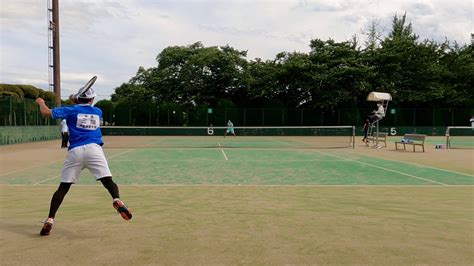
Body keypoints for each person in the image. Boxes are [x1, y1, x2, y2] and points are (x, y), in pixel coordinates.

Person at [35, 85, 132, 236]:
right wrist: (77, 98)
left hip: (75, 151)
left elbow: (46, 113)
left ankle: (50, 220)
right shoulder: (97, 111)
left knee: (63, 188)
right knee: (108, 181)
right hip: (94, 150)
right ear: (92, 99)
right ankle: (116, 199)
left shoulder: (70, 110)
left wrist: (41, 102)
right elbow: (81, 103)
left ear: (79, 98)